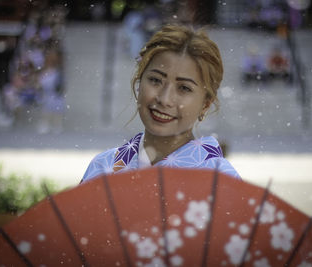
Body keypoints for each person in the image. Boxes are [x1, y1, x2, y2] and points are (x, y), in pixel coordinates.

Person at [81, 25, 240, 183]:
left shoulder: (222, 181)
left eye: (184, 88)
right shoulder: (103, 167)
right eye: (156, 80)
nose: (164, 99)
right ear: (139, 82)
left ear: (205, 104)